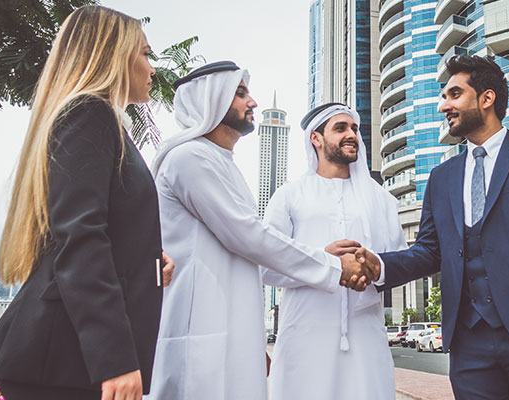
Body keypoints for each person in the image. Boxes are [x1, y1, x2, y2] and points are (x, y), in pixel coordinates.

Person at [357, 55, 509, 399]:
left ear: (487, 98)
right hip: (469, 343)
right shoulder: (442, 178)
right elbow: (429, 251)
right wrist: (379, 266)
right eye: (444, 97)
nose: (443, 106)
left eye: (454, 94)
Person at [146, 62, 376, 400]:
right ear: (210, 100)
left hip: (228, 332)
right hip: (198, 331)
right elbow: (248, 235)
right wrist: (333, 265)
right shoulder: (189, 158)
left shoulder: (221, 163)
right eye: (240, 93)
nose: (251, 102)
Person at [0, 5, 174, 400]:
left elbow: (87, 231)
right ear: (112, 56)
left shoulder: (97, 120)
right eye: (145, 53)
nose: (152, 68)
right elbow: (81, 239)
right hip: (66, 359)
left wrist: (150, 263)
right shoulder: (90, 115)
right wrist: (115, 360)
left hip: (69, 357)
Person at [260, 102, 407, 400]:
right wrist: (326, 262)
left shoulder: (381, 199)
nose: (351, 134)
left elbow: (401, 262)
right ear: (316, 138)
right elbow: (265, 266)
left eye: (354, 128)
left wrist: (372, 267)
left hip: (367, 339)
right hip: (304, 337)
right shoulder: (290, 195)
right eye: (340, 128)